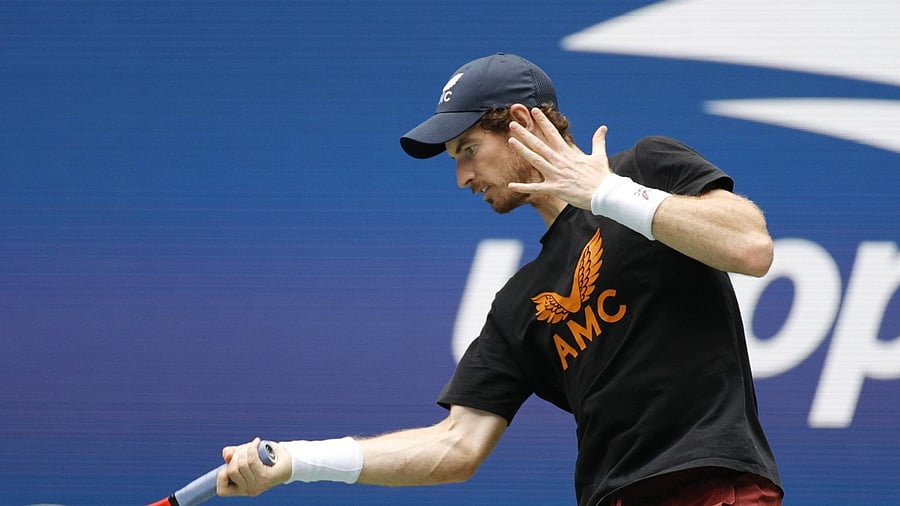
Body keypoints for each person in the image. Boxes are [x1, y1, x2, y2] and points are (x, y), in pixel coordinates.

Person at [217, 53, 783, 505]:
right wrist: (293, 461)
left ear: (519, 125)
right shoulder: (519, 303)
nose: (462, 177)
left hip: (714, 488)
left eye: (468, 150)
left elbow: (750, 247)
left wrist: (607, 194)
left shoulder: (645, 167)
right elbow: (455, 446)